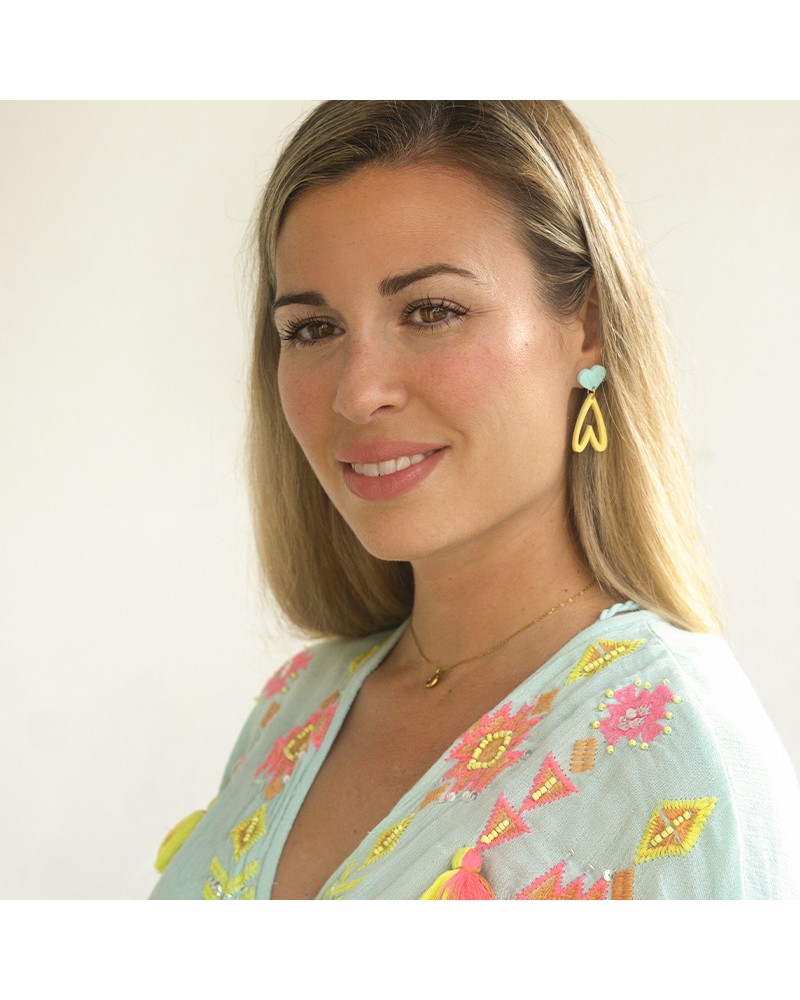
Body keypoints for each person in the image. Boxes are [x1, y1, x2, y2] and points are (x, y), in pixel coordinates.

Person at [150, 101, 800, 900]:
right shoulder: (297, 704)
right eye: (313, 328)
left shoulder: (681, 759)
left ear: (588, 327)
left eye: (432, 312)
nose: (357, 393)